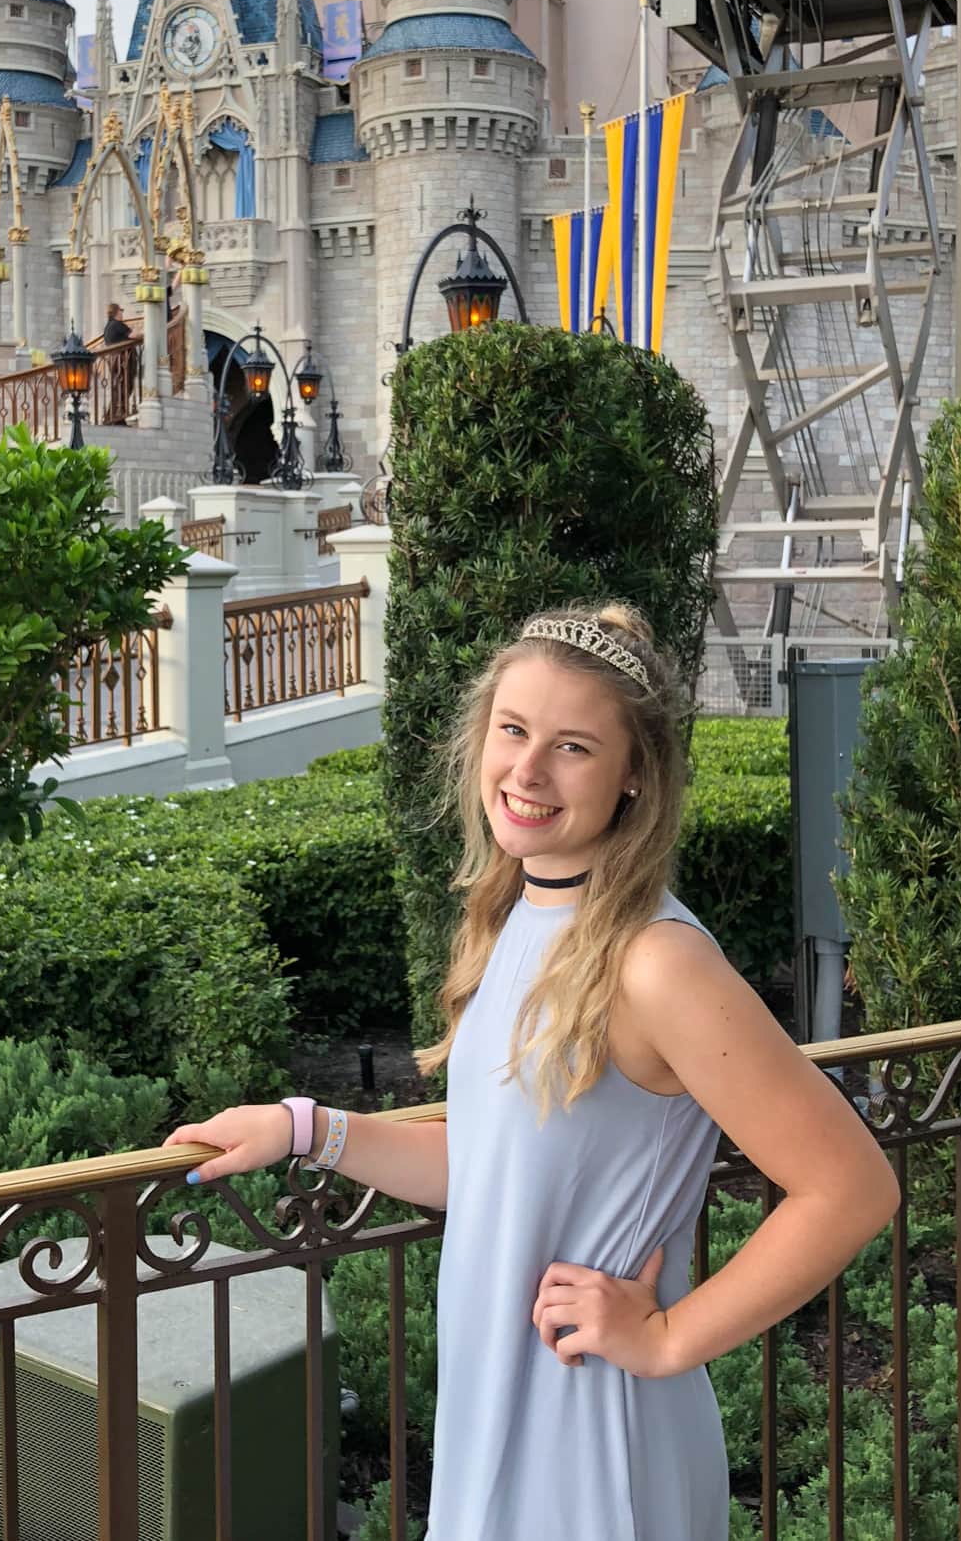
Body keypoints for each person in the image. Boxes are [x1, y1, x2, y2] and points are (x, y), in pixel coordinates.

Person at [164, 602, 900, 1540]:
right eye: (513, 731)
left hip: (595, 1429)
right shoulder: (518, 914)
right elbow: (491, 1174)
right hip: (498, 1413)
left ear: (635, 777)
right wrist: (307, 1128)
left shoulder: (655, 961)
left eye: (574, 747)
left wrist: (669, 1337)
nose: (528, 770)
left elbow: (850, 1187)